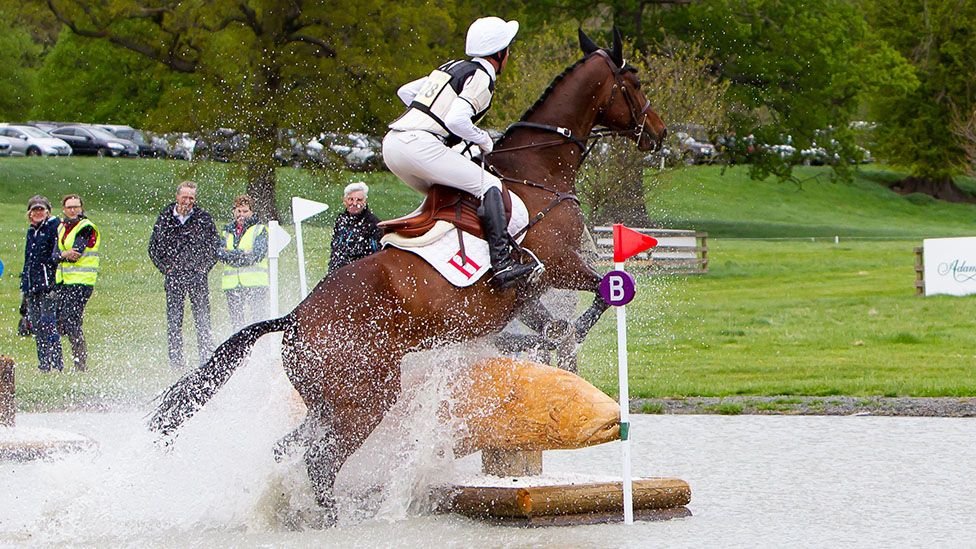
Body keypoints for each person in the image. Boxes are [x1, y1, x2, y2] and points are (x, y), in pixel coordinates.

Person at [382, 16, 534, 289]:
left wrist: (431, 122)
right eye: (508, 50)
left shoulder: (451, 67)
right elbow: (456, 121)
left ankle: (448, 260)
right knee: (489, 185)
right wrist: (483, 139)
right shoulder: (482, 77)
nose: (509, 55)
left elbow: (405, 92)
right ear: (499, 53)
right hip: (420, 146)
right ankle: (502, 264)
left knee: (453, 195)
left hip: (393, 145)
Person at [148, 181, 219, 369]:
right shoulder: (165, 217)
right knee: (174, 321)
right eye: (184, 197)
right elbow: (153, 247)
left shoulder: (203, 218)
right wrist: (166, 268)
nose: (187, 201)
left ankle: (206, 360)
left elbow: (214, 247)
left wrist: (203, 268)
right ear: (177, 197)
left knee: (202, 320)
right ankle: (176, 363)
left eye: (191, 198)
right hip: (174, 276)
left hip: (197, 277)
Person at [55, 194, 100, 372]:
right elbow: (55, 253)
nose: (73, 210)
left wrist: (59, 256)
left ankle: (80, 363)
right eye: (69, 207)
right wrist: (61, 255)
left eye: (76, 207)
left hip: (81, 282)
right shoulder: (61, 227)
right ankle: (64, 361)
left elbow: (76, 254)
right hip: (64, 281)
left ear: (81, 208)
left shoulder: (86, 227)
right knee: (63, 321)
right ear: (64, 209)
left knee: (72, 321)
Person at [20, 195, 63, 372]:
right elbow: (28, 261)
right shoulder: (32, 231)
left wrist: (53, 284)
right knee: (37, 326)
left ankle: (57, 363)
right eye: (34, 210)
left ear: (48, 212)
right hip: (32, 287)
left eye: (41, 209)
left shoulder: (54, 227)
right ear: (29, 214)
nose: (37, 213)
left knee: (48, 324)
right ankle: (44, 364)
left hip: (48, 286)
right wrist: (24, 288)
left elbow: (56, 256)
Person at [217, 195, 269, 330]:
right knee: (236, 323)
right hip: (232, 285)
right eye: (239, 211)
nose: (241, 215)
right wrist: (243, 252)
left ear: (252, 212)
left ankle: (260, 348)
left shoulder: (259, 229)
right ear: (234, 211)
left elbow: (256, 255)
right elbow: (220, 254)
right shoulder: (226, 231)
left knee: (257, 321)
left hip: (255, 283)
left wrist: (232, 254)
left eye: (245, 211)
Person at [328, 182, 383, 273]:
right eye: (351, 199)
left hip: (361, 273)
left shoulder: (373, 224)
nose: (354, 203)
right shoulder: (341, 220)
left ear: (365, 202)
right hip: (336, 271)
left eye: (359, 200)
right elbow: (334, 249)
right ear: (344, 200)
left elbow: (377, 255)